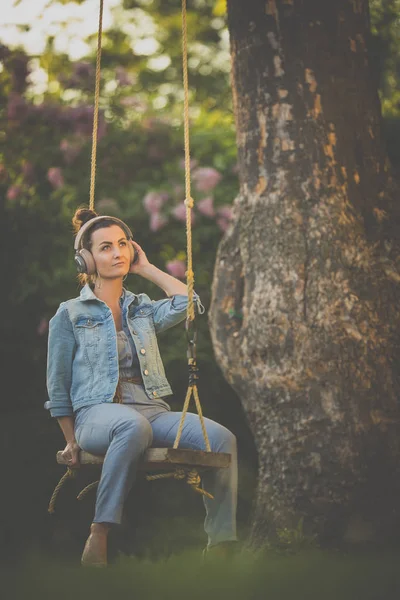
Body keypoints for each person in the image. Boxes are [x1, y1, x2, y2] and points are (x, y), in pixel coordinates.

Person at [45, 208, 238, 567]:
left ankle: (221, 546)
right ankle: (99, 533)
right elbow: (57, 386)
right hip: (96, 414)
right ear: (86, 258)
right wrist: (70, 439)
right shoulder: (69, 314)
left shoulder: (141, 309)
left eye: (122, 244)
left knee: (223, 439)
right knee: (132, 426)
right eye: (105, 247)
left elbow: (190, 304)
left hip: (149, 408)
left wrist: (146, 269)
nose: (117, 253)